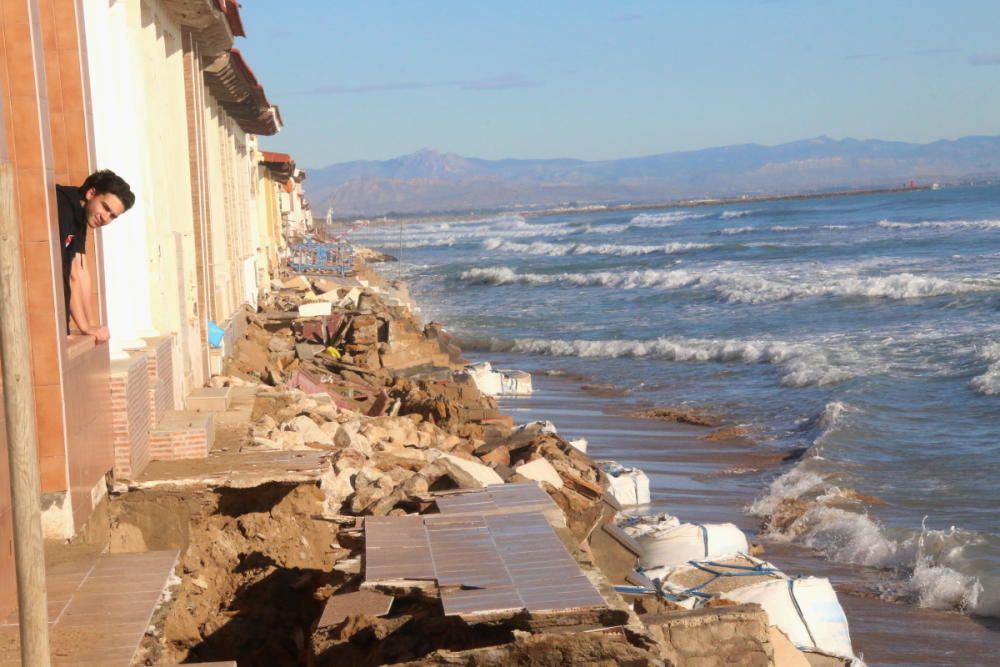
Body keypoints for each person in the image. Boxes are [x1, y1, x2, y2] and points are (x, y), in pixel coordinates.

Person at [55, 169, 135, 343]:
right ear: (91, 193)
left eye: (112, 216)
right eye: (106, 207)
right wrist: (84, 326)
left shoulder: (82, 214)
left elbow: (80, 269)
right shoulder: (63, 205)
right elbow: (71, 275)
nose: (105, 218)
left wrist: (92, 324)